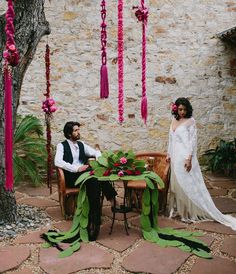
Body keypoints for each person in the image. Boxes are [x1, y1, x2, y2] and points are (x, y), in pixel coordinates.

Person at [166, 97, 236, 230]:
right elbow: (170, 139)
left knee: (187, 184)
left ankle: (187, 213)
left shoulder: (190, 121)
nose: (182, 112)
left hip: (184, 156)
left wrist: (189, 158)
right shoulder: (173, 120)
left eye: (185, 109)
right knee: (176, 185)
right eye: (180, 109)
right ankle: (178, 210)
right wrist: (168, 154)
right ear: (176, 109)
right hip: (175, 156)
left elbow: (192, 141)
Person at [55, 121, 117, 240]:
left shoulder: (81, 144)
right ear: (69, 134)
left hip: (86, 175)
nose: (78, 132)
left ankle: (94, 215)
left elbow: (96, 152)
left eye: (78, 130)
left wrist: (99, 160)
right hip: (72, 176)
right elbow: (58, 162)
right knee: (94, 178)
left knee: (96, 178)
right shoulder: (61, 146)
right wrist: (76, 168)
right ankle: (110, 200)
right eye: (75, 130)